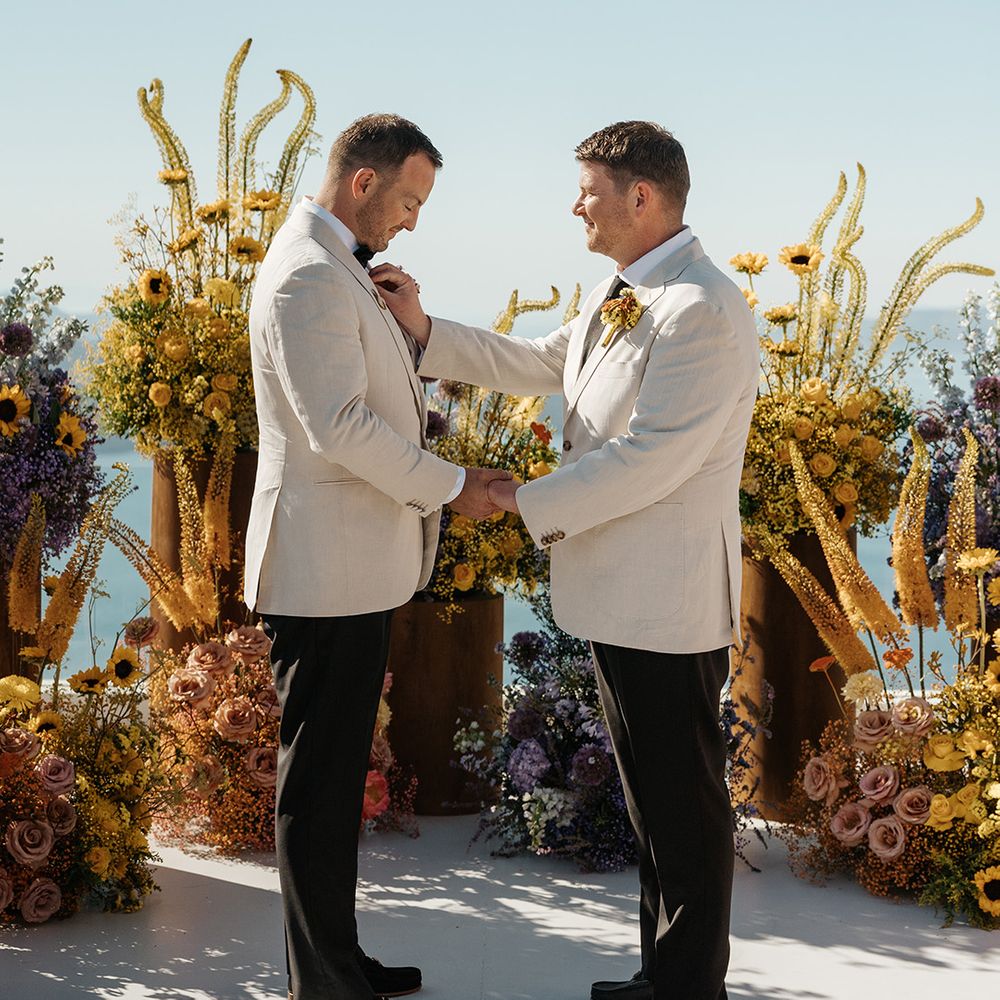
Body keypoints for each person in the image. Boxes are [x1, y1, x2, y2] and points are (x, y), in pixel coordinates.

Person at [372, 120, 758, 1000]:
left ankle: (692, 988)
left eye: (587, 189)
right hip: (619, 596)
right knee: (655, 801)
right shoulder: (620, 291)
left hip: (665, 600)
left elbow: (653, 456)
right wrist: (425, 329)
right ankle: (663, 973)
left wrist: (521, 499)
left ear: (642, 198)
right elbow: (547, 360)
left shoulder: (702, 309)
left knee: (685, 806)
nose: (574, 204)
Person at [244, 113, 510, 1000]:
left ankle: (338, 960)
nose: (412, 219)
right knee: (316, 787)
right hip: (321, 570)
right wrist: (451, 484)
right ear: (363, 183)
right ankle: (321, 982)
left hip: (347, 566)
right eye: (408, 198)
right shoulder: (306, 275)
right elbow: (340, 427)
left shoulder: (335, 271)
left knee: (332, 777)